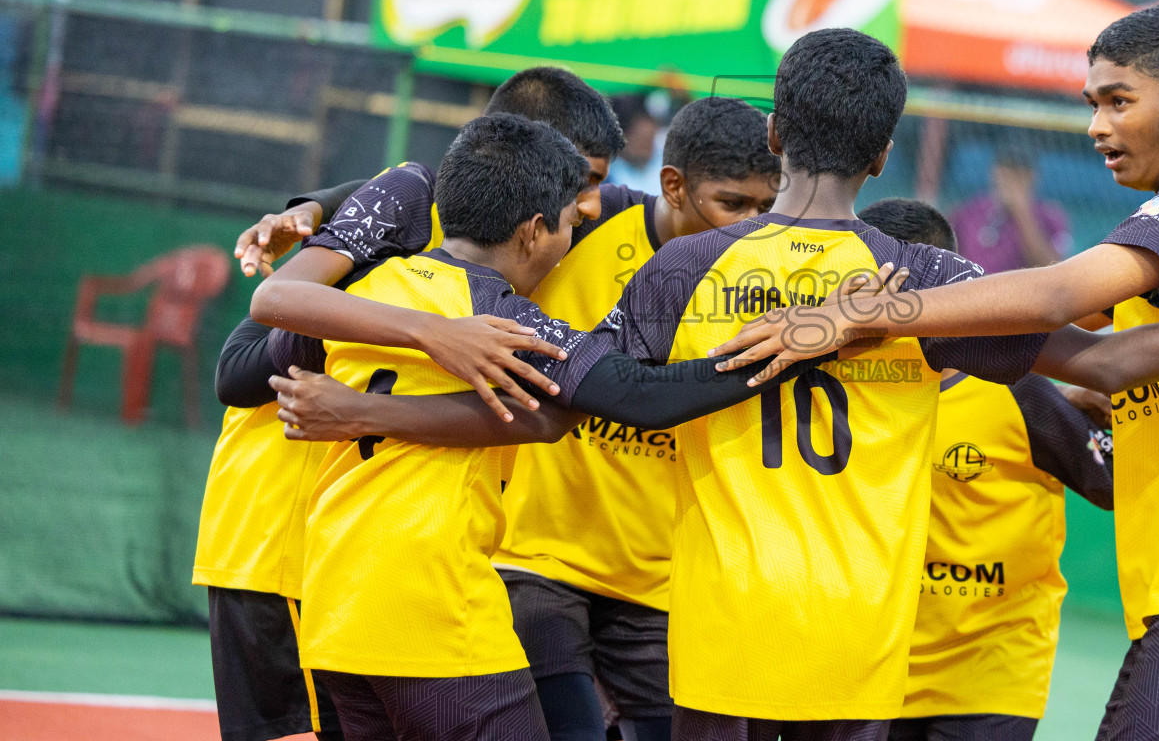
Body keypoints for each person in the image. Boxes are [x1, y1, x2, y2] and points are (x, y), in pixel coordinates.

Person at [605, 26, 1159, 739]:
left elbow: (600, 391)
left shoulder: (683, 263)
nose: (1096, 126)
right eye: (1094, 103)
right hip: (870, 626)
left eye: (1117, 100)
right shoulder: (928, 268)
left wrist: (869, 316)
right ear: (885, 153)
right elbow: (1100, 360)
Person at [255, 95, 779, 741]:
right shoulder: (506, 323)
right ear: (533, 231)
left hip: (336, 606)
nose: (578, 226)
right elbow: (642, 396)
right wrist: (785, 348)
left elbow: (544, 419)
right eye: (567, 221)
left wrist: (369, 403)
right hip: (435, 604)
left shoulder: (367, 285)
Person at [193, 65, 625, 741]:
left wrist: (317, 206)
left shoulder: (493, 233)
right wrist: (408, 325)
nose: (594, 203)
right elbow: (239, 371)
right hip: (282, 536)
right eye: (586, 180)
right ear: (516, 153)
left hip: (368, 560)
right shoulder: (406, 223)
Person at [861, 198, 1114, 741]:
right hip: (874, 671)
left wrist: (1128, 417)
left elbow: (1116, 482)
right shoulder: (841, 391)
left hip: (992, 676)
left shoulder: (1020, 393)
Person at [949, 151, 1072, 272]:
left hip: (1018, 289)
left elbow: (1050, 267)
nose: (1009, 183)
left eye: (1017, 177)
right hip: (969, 285)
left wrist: (1021, 211)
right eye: (1005, 175)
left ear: (1031, 177)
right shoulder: (972, 208)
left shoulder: (1050, 216)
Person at [606, 93, 665, 194]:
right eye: (643, 140)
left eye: (651, 139)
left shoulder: (664, 159)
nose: (649, 149)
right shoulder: (608, 177)